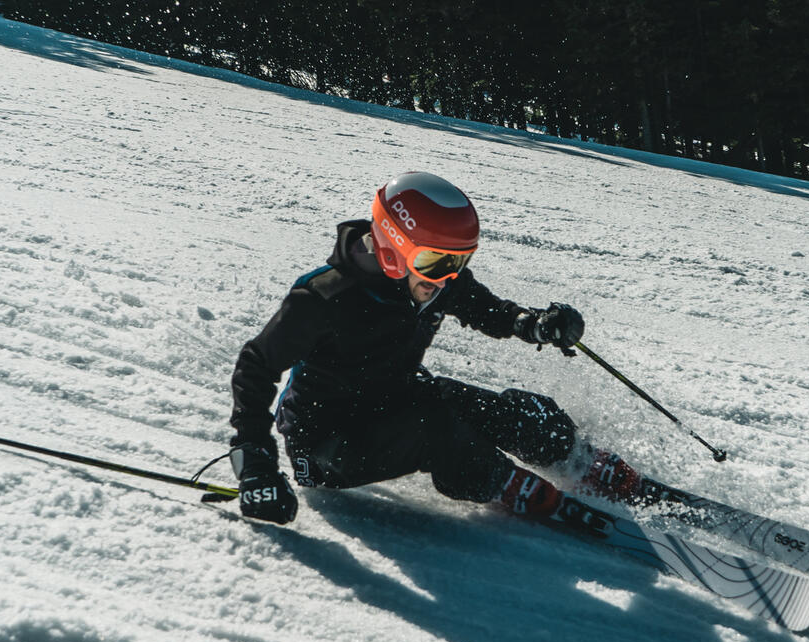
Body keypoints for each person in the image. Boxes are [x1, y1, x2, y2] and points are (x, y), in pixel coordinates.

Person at [227, 171, 595, 526]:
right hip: (326, 445)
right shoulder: (324, 297)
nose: (446, 277)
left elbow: (485, 308)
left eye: (459, 260)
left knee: (483, 407)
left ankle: (576, 457)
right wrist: (255, 465)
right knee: (438, 427)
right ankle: (509, 484)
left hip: (389, 401)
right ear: (392, 248)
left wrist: (533, 325)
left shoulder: (433, 278)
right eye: (434, 261)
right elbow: (255, 366)